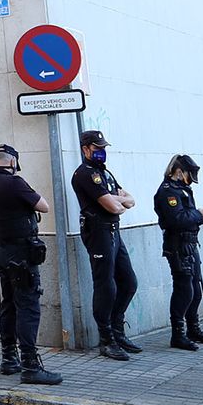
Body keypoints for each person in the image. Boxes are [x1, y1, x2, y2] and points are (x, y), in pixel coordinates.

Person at [0, 143, 62, 385]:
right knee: (28, 306)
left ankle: (9, 358)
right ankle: (30, 366)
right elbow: (43, 206)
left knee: (8, 304)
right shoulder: (15, 183)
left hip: (0, 250)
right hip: (21, 253)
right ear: (13, 162)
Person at [71, 130, 140, 360]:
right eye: (97, 148)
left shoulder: (105, 173)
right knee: (105, 286)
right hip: (98, 232)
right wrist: (117, 200)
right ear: (85, 149)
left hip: (113, 231)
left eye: (103, 148)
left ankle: (117, 330)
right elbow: (116, 207)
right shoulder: (85, 174)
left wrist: (115, 199)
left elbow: (130, 200)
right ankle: (106, 340)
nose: (101, 152)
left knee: (129, 282)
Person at [154, 154, 203, 351]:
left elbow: (186, 217)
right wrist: (199, 214)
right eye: (189, 174)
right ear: (179, 172)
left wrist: (200, 215)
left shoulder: (182, 189)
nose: (190, 179)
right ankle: (178, 335)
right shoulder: (168, 192)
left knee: (195, 289)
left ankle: (193, 329)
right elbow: (177, 219)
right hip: (177, 246)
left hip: (190, 244)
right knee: (184, 290)